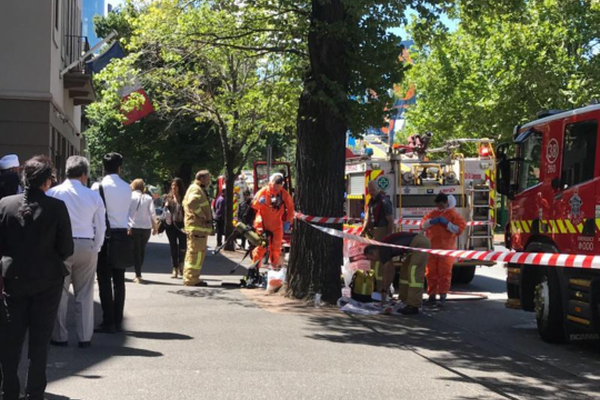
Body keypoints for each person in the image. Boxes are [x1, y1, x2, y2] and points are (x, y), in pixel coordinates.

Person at [0, 155, 73, 400]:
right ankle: (35, 392)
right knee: (40, 341)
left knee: (11, 339)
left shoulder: (5, 205)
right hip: (48, 279)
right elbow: (66, 249)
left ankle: (9, 389)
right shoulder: (57, 207)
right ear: (47, 182)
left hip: (14, 279)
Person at [47, 156, 106, 349]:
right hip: (86, 244)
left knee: (59, 292)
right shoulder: (93, 196)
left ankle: (59, 336)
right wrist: (95, 247)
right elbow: (100, 226)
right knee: (85, 293)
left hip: (60, 247)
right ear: (83, 175)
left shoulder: (54, 193)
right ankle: (84, 337)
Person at [92, 153, 132, 333]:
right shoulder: (127, 187)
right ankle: (118, 319)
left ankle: (108, 320)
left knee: (104, 280)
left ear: (103, 166)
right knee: (119, 280)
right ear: (119, 167)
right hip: (122, 235)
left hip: (104, 236)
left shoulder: (97, 187)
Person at [363, 232, 431, 314]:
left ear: (374, 252)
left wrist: (384, 291)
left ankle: (414, 305)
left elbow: (386, 272)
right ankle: (404, 300)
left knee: (414, 272)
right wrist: (386, 289)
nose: (373, 261)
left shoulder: (383, 250)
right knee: (404, 273)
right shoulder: (384, 249)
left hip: (419, 244)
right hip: (414, 246)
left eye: (372, 258)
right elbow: (391, 271)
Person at [421, 193, 466, 307]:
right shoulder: (433, 214)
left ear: (446, 203)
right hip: (433, 248)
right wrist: (432, 221)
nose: (439, 207)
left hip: (447, 250)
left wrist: (447, 224)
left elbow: (458, 229)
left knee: (444, 273)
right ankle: (432, 296)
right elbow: (423, 225)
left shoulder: (453, 215)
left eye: (440, 204)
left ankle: (442, 296)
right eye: (438, 205)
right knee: (430, 273)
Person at [251, 173, 294, 269]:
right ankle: (254, 269)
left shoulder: (283, 193)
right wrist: (259, 202)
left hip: (276, 225)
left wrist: (288, 221)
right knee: (261, 248)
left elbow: (290, 207)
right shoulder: (263, 192)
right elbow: (254, 205)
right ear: (272, 183)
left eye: (279, 186)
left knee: (276, 248)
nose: (276, 188)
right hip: (262, 224)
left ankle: (275, 270)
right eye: (275, 185)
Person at [361, 180, 395, 292]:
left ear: (378, 189)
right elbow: (368, 217)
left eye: (373, 190)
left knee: (380, 260)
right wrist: (364, 230)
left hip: (382, 231)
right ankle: (375, 286)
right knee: (373, 261)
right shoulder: (371, 202)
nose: (371, 192)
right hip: (374, 232)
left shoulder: (384, 201)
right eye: (370, 190)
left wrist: (388, 237)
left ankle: (382, 288)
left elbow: (390, 221)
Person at [182, 170, 213, 286]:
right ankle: (192, 279)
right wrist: (203, 216)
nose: (209, 181)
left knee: (194, 254)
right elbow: (191, 203)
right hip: (197, 228)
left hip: (196, 228)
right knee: (196, 254)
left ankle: (190, 277)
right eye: (208, 178)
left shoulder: (194, 188)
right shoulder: (196, 189)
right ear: (202, 178)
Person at [129, 179, 158, 284]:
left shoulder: (129, 197)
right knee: (142, 250)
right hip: (146, 228)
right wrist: (155, 227)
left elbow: (126, 212)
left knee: (136, 251)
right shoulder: (148, 198)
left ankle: (138, 274)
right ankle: (138, 272)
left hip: (133, 226)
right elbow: (152, 214)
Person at [164, 178, 187, 278]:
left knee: (182, 247)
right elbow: (164, 213)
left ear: (180, 187)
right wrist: (166, 206)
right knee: (173, 247)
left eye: (176, 185)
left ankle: (181, 264)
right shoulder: (168, 198)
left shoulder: (184, 198)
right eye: (172, 185)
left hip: (182, 225)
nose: (173, 187)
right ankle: (175, 268)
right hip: (171, 226)